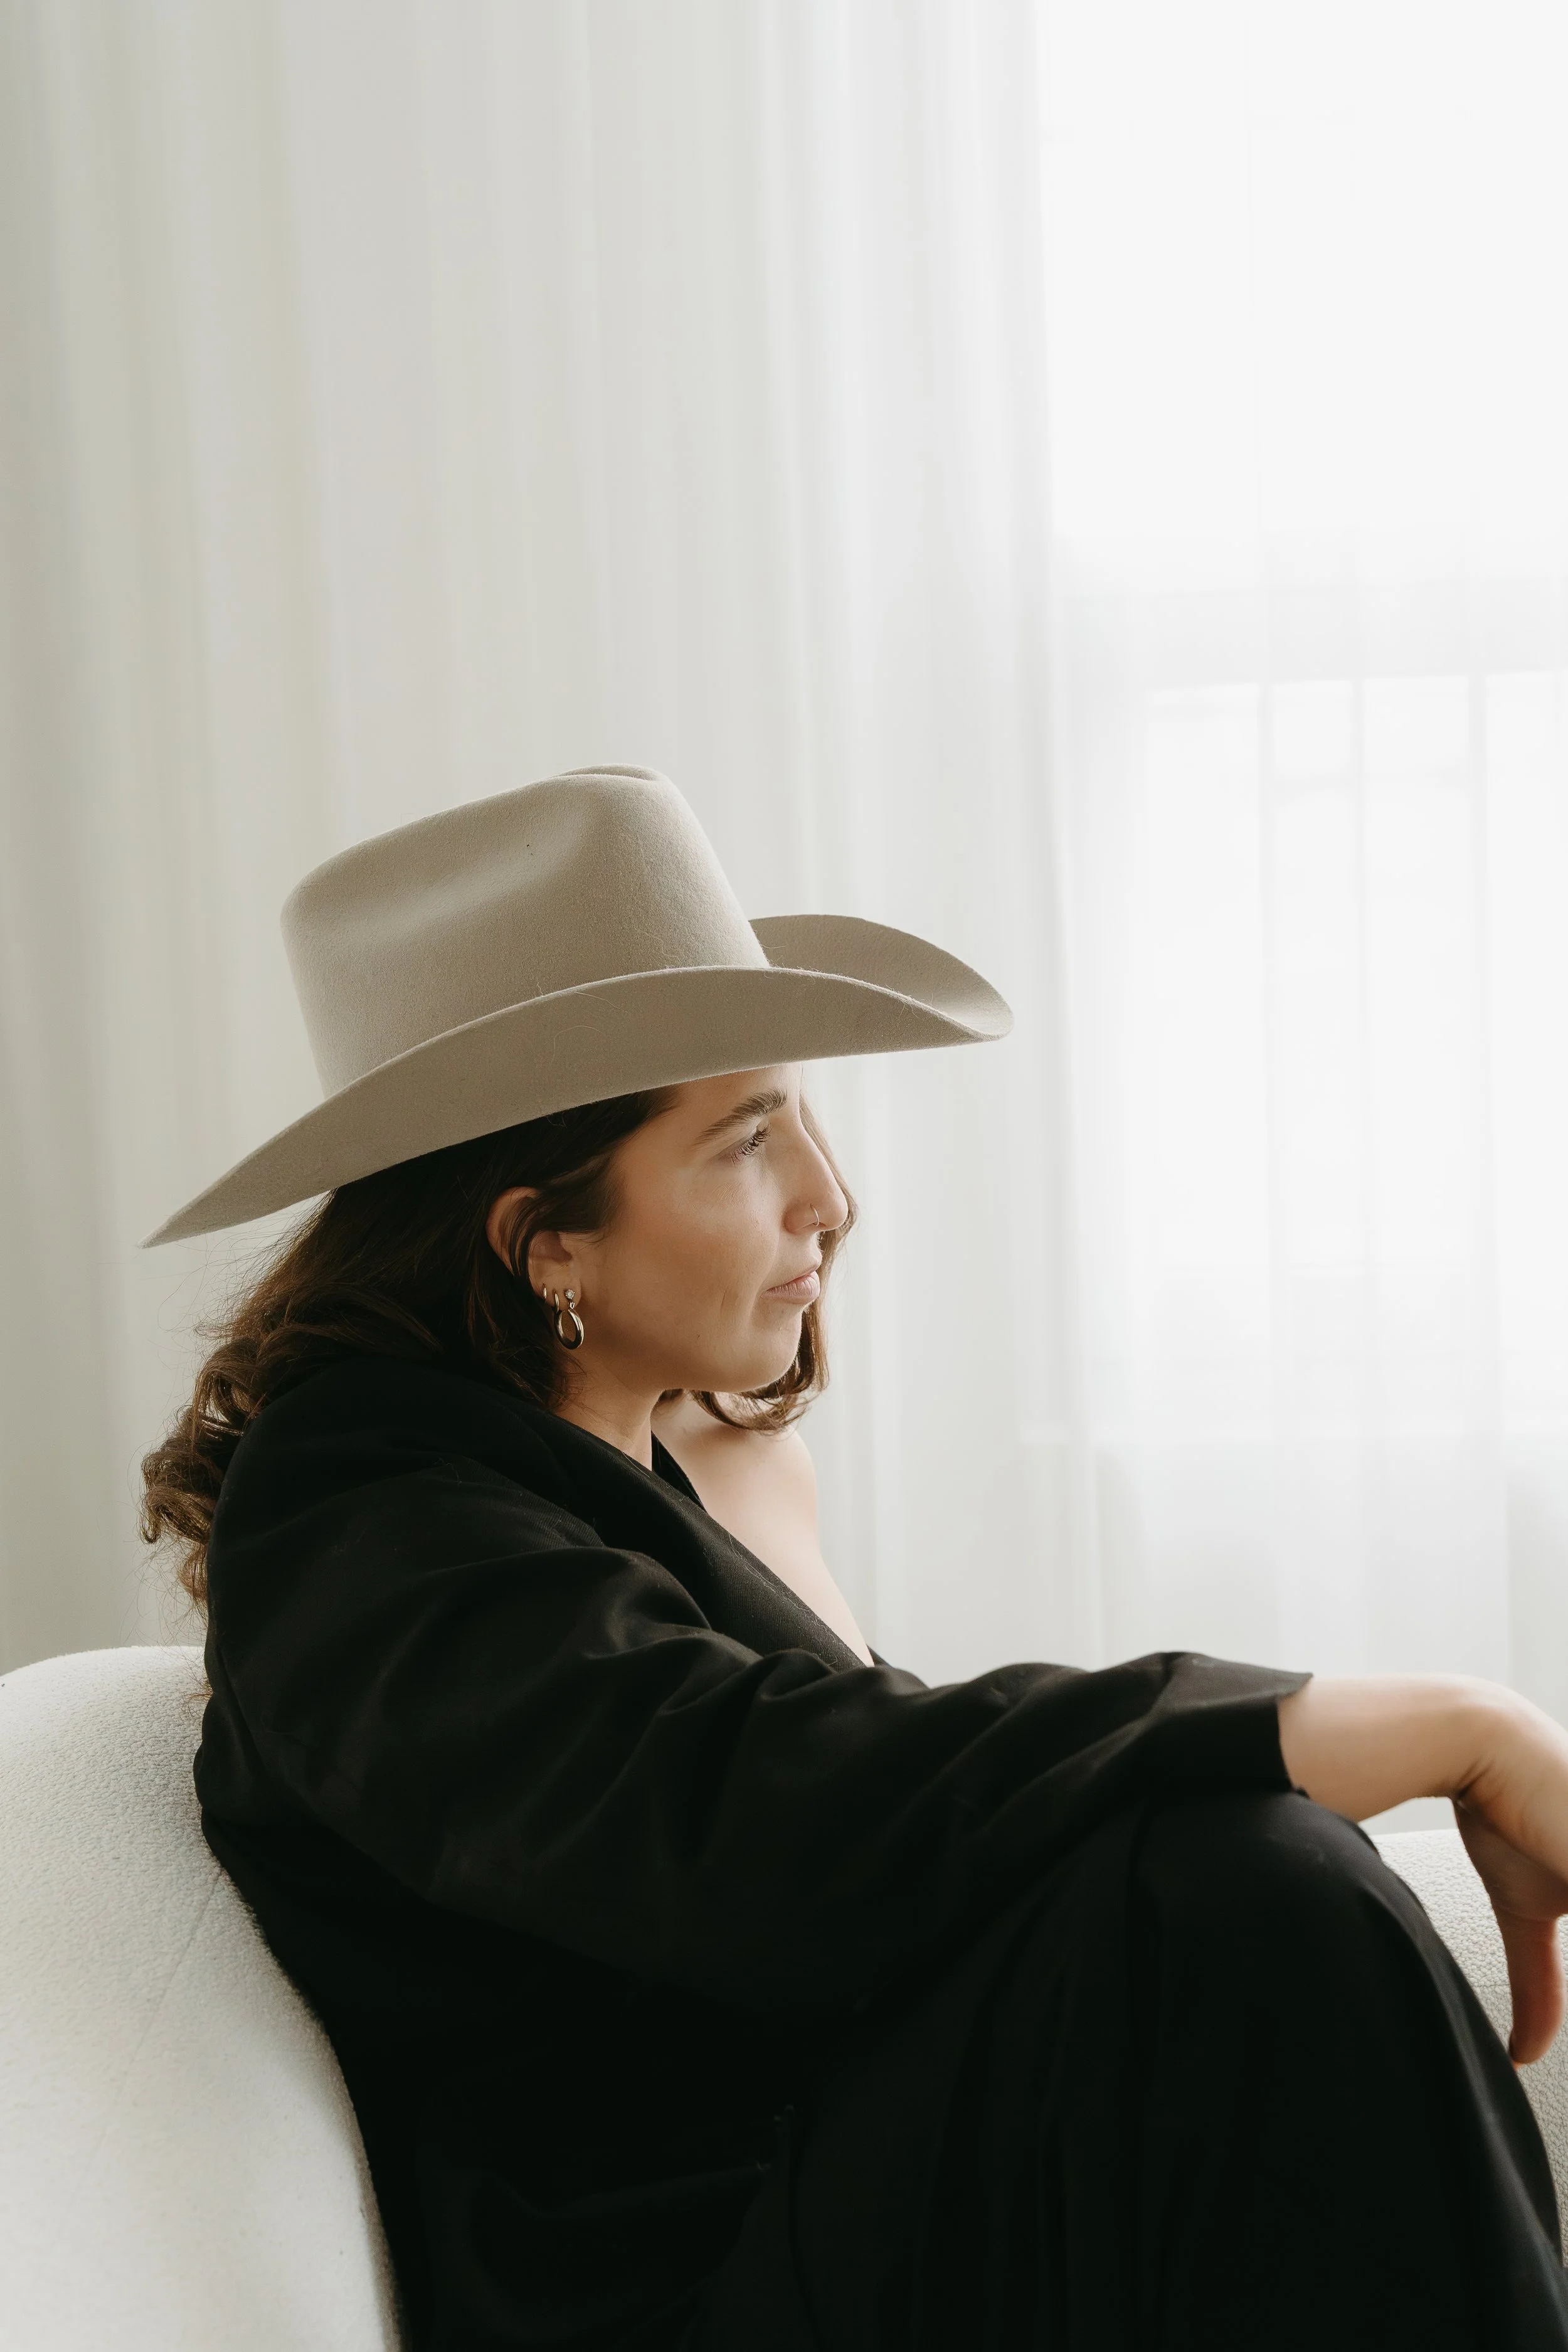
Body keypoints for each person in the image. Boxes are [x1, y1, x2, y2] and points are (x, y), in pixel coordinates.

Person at [140, 766, 1568, 2350]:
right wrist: (1350, 1721)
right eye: (748, 1142)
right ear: (544, 1239)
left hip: (833, 2208)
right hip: (672, 2288)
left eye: (803, 1119)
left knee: (1235, 1881)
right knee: (1225, 1891)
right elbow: (735, 1812)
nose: (830, 1196)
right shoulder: (354, 1507)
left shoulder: (695, 1467)